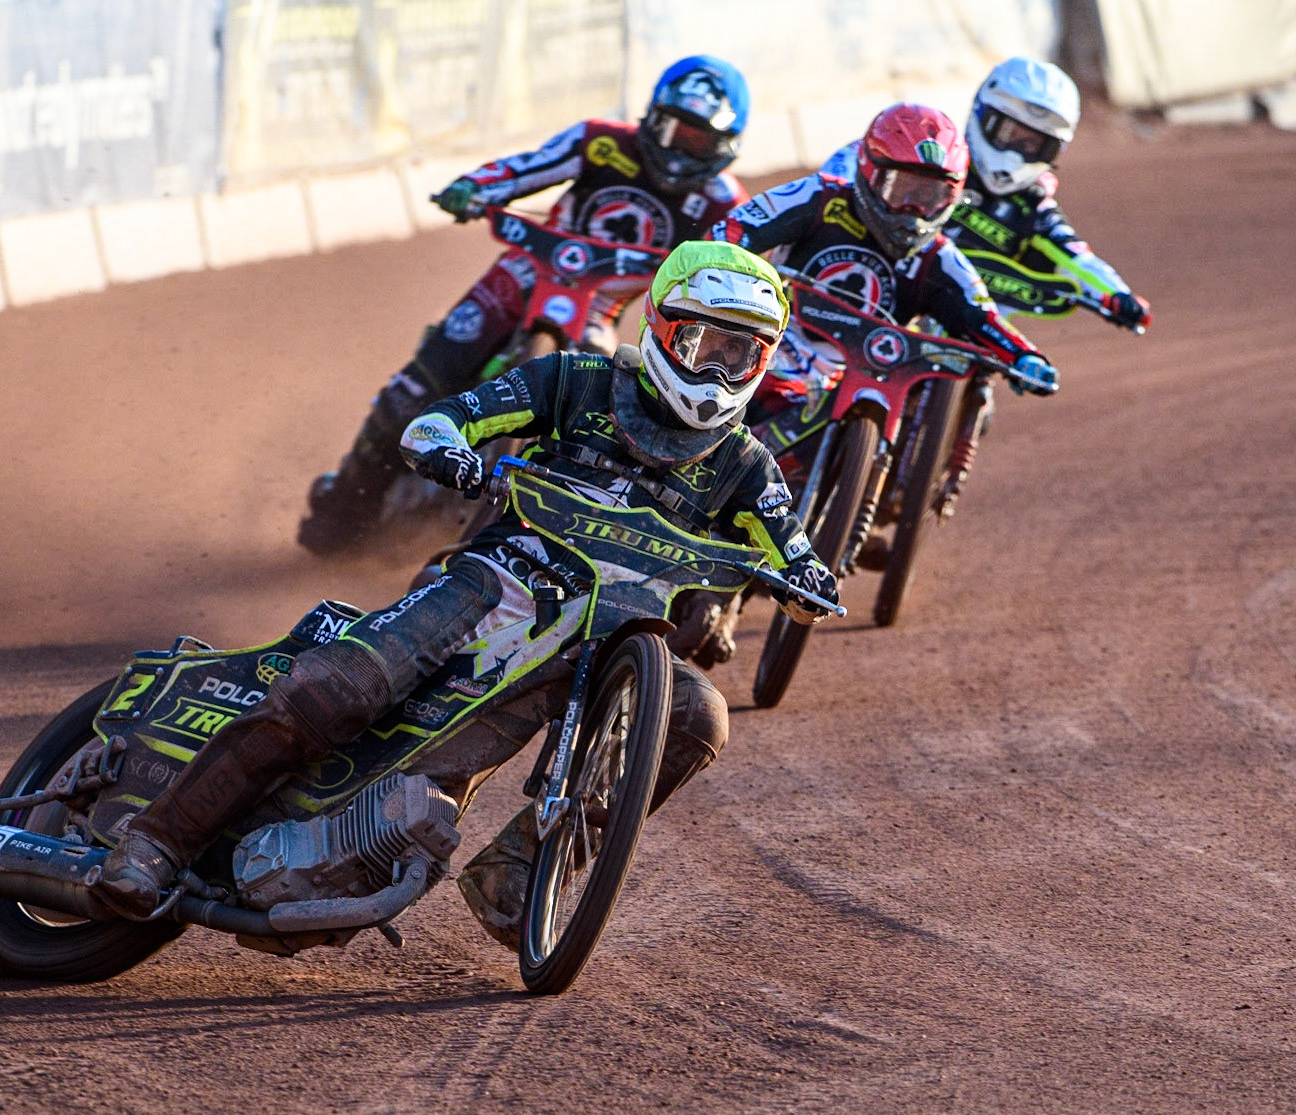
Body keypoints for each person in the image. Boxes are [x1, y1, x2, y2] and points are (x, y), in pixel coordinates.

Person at [95, 242, 840, 949]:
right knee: (339, 689)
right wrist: (449, 450)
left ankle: (519, 870)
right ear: (663, 329)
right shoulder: (575, 379)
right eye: (704, 344)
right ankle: (157, 842)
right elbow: (443, 419)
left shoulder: (747, 466)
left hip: (605, 640)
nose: (717, 370)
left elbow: (800, 556)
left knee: (699, 711)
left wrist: (809, 580)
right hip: (495, 583)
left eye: (740, 354)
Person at [298, 55, 754, 555]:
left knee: (602, 424)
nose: (678, 149)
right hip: (520, 276)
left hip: (597, 309)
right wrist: (475, 188)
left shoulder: (725, 204)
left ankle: (548, 539)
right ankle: (345, 503)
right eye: (673, 130)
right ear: (652, 117)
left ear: (724, 148)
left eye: (697, 140)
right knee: (410, 392)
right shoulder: (600, 141)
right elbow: (527, 167)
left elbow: (737, 266)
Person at [686, 102, 1055, 665]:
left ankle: (754, 578)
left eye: (932, 197)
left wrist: (1025, 357)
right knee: (695, 407)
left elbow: (984, 318)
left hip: (861, 380)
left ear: (954, 198)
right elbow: (731, 231)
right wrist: (718, 264)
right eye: (902, 189)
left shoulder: (940, 258)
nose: (913, 211)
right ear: (868, 171)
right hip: (774, 350)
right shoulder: (818, 199)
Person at [819, 59, 1150, 508]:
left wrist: (1117, 295)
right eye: (1010, 133)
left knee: (987, 396)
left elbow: (1077, 257)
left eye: (1034, 143)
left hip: (972, 321)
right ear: (982, 115)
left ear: (1053, 150)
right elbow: (847, 174)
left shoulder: (1035, 209)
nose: (1016, 150)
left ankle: (936, 487)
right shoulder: (935, 158)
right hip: (882, 298)